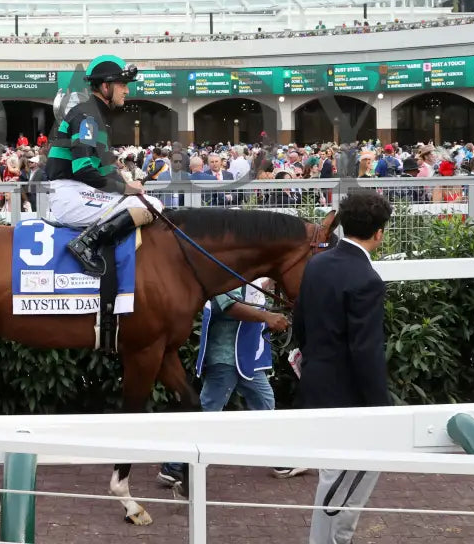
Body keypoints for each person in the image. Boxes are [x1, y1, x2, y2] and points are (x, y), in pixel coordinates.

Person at [293, 191, 392, 544]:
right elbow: (366, 351)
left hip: (318, 382)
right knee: (346, 479)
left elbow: (300, 323)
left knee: (335, 473)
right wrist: (381, 407)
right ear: (379, 232)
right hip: (349, 393)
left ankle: (335, 539)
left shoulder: (317, 264)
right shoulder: (367, 279)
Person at [158, 277, 303, 487]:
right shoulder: (224, 276)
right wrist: (267, 316)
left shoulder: (243, 275)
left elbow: (246, 293)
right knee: (208, 411)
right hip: (226, 359)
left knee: (264, 402)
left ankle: (280, 461)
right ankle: (173, 466)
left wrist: (269, 281)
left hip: (243, 358)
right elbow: (229, 306)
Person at [44, 55, 163, 274]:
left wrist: (129, 189)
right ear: (105, 86)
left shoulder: (96, 116)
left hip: (78, 191)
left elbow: (105, 170)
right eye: (122, 85)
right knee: (151, 205)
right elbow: (83, 169)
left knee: (144, 201)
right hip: (70, 194)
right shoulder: (87, 116)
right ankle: (85, 244)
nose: (127, 90)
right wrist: (126, 188)